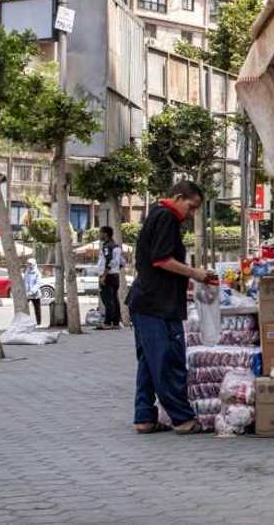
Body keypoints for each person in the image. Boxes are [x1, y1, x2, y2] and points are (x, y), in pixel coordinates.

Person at [126, 181, 218, 435]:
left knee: (148, 362)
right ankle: (182, 419)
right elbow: (162, 259)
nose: (192, 214)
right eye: (191, 207)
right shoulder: (165, 217)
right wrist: (196, 274)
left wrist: (185, 282)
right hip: (156, 305)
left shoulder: (159, 215)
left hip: (148, 302)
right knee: (167, 360)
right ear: (177, 197)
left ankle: (144, 417)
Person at [96, 225, 125, 329]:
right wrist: (115, 270)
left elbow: (109, 260)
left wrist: (104, 275)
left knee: (107, 299)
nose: (99, 234)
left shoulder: (107, 246)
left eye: (100, 232)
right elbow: (122, 262)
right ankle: (116, 323)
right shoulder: (116, 246)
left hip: (107, 276)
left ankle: (108, 323)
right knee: (114, 299)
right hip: (115, 276)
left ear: (105, 234)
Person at [23, 258, 42, 325]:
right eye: (28, 264)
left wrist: (31, 291)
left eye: (30, 264)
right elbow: (25, 281)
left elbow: (38, 284)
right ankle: (26, 322)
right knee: (24, 309)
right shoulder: (26, 272)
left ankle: (39, 323)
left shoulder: (37, 273)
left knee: (37, 309)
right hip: (27, 294)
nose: (29, 265)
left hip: (35, 295)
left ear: (34, 264)